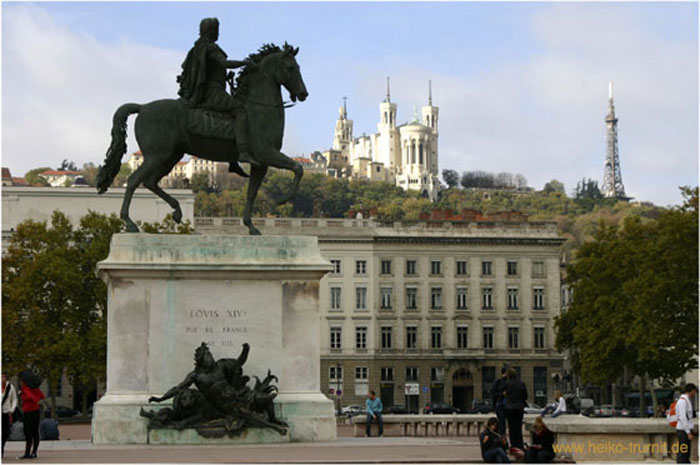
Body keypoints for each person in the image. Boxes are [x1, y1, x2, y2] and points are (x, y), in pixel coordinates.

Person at [177, 17, 251, 174]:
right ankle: (243, 152)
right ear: (212, 31)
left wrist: (224, 77)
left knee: (228, 117)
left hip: (205, 90)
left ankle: (233, 161)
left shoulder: (196, 48)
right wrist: (246, 63)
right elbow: (225, 63)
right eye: (216, 30)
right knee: (240, 110)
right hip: (212, 92)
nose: (218, 33)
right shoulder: (210, 47)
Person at [18, 373, 44, 459]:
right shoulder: (35, 389)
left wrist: (22, 394)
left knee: (28, 433)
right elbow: (42, 396)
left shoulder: (25, 389)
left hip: (28, 412)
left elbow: (32, 398)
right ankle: (34, 452)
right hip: (36, 411)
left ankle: (27, 452)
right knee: (35, 432)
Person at [504, 367, 528, 450]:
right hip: (519, 408)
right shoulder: (522, 384)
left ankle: (513, 445)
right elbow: (525, 396)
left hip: (509, 408)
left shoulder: (507, 384)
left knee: (511, 428)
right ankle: (520, 445)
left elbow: (503, 394)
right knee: (518, 427)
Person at [676, 383, 697, 464]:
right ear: (691, 391)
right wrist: (688, 432)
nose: (694, 394)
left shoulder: (686, 400)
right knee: (683, 453)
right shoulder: (682, 402)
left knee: (685, 453)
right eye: (694, 392)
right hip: (683, 431)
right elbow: (683, 418)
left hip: (685, 430)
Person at [2, 373, 18, 458]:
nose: (2, 379)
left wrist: (12, 409)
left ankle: (2, 446)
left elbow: (14, 399)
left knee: (6, 432)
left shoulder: (10, 387)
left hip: (6, 412)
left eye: (3, 377)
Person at [491, 367, 508, 434]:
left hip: (506, 405)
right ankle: (502, 439)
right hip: (501, 405)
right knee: (502, 424)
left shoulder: (509, 382)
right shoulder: (498, 382)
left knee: (503, 423)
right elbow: (494, 394)